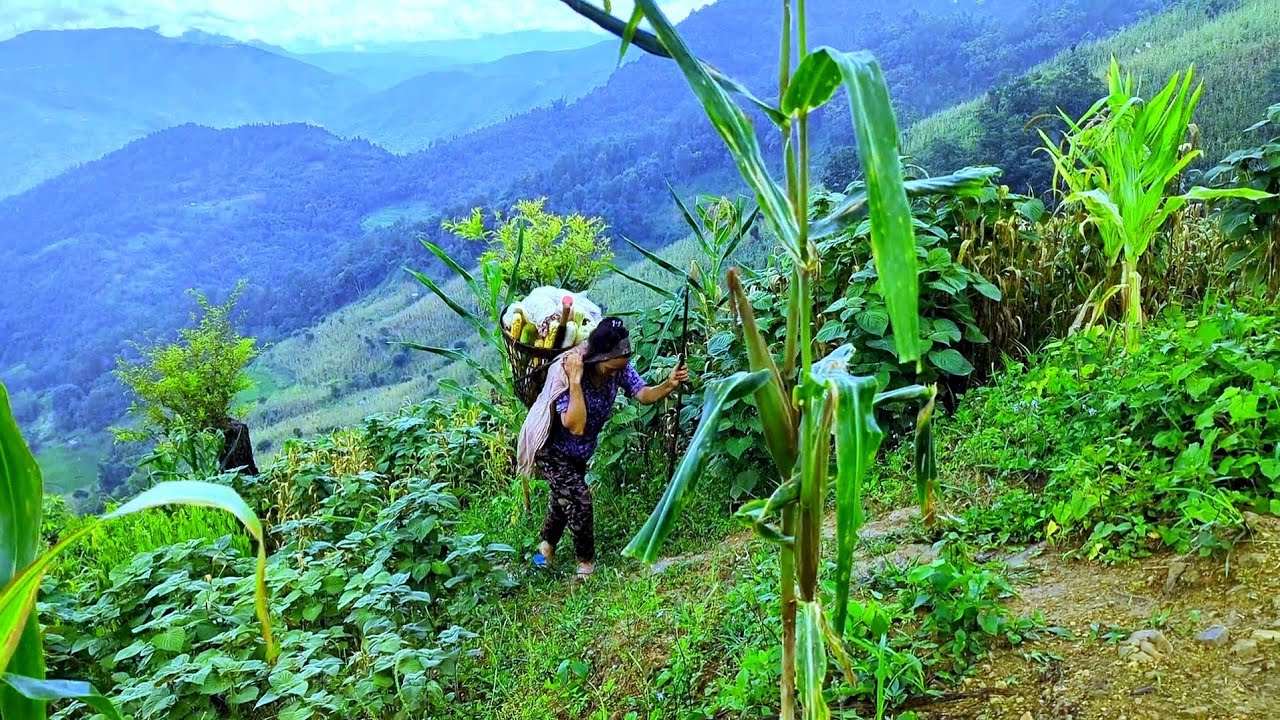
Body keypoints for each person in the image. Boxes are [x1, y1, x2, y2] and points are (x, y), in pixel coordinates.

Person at [517, 317, 688, 580]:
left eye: (618, 369)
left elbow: (642, 394)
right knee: (579, 501)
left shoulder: (619, 367)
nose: (614, 374)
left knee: (562, 502)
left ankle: (543, 553)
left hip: (580, 451)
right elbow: (575, 424)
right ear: (596, 358)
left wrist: (668, 384)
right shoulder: (569, 371)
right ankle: (586, 566)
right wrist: (575, 381)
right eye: (609, 369)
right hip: (552, 449)